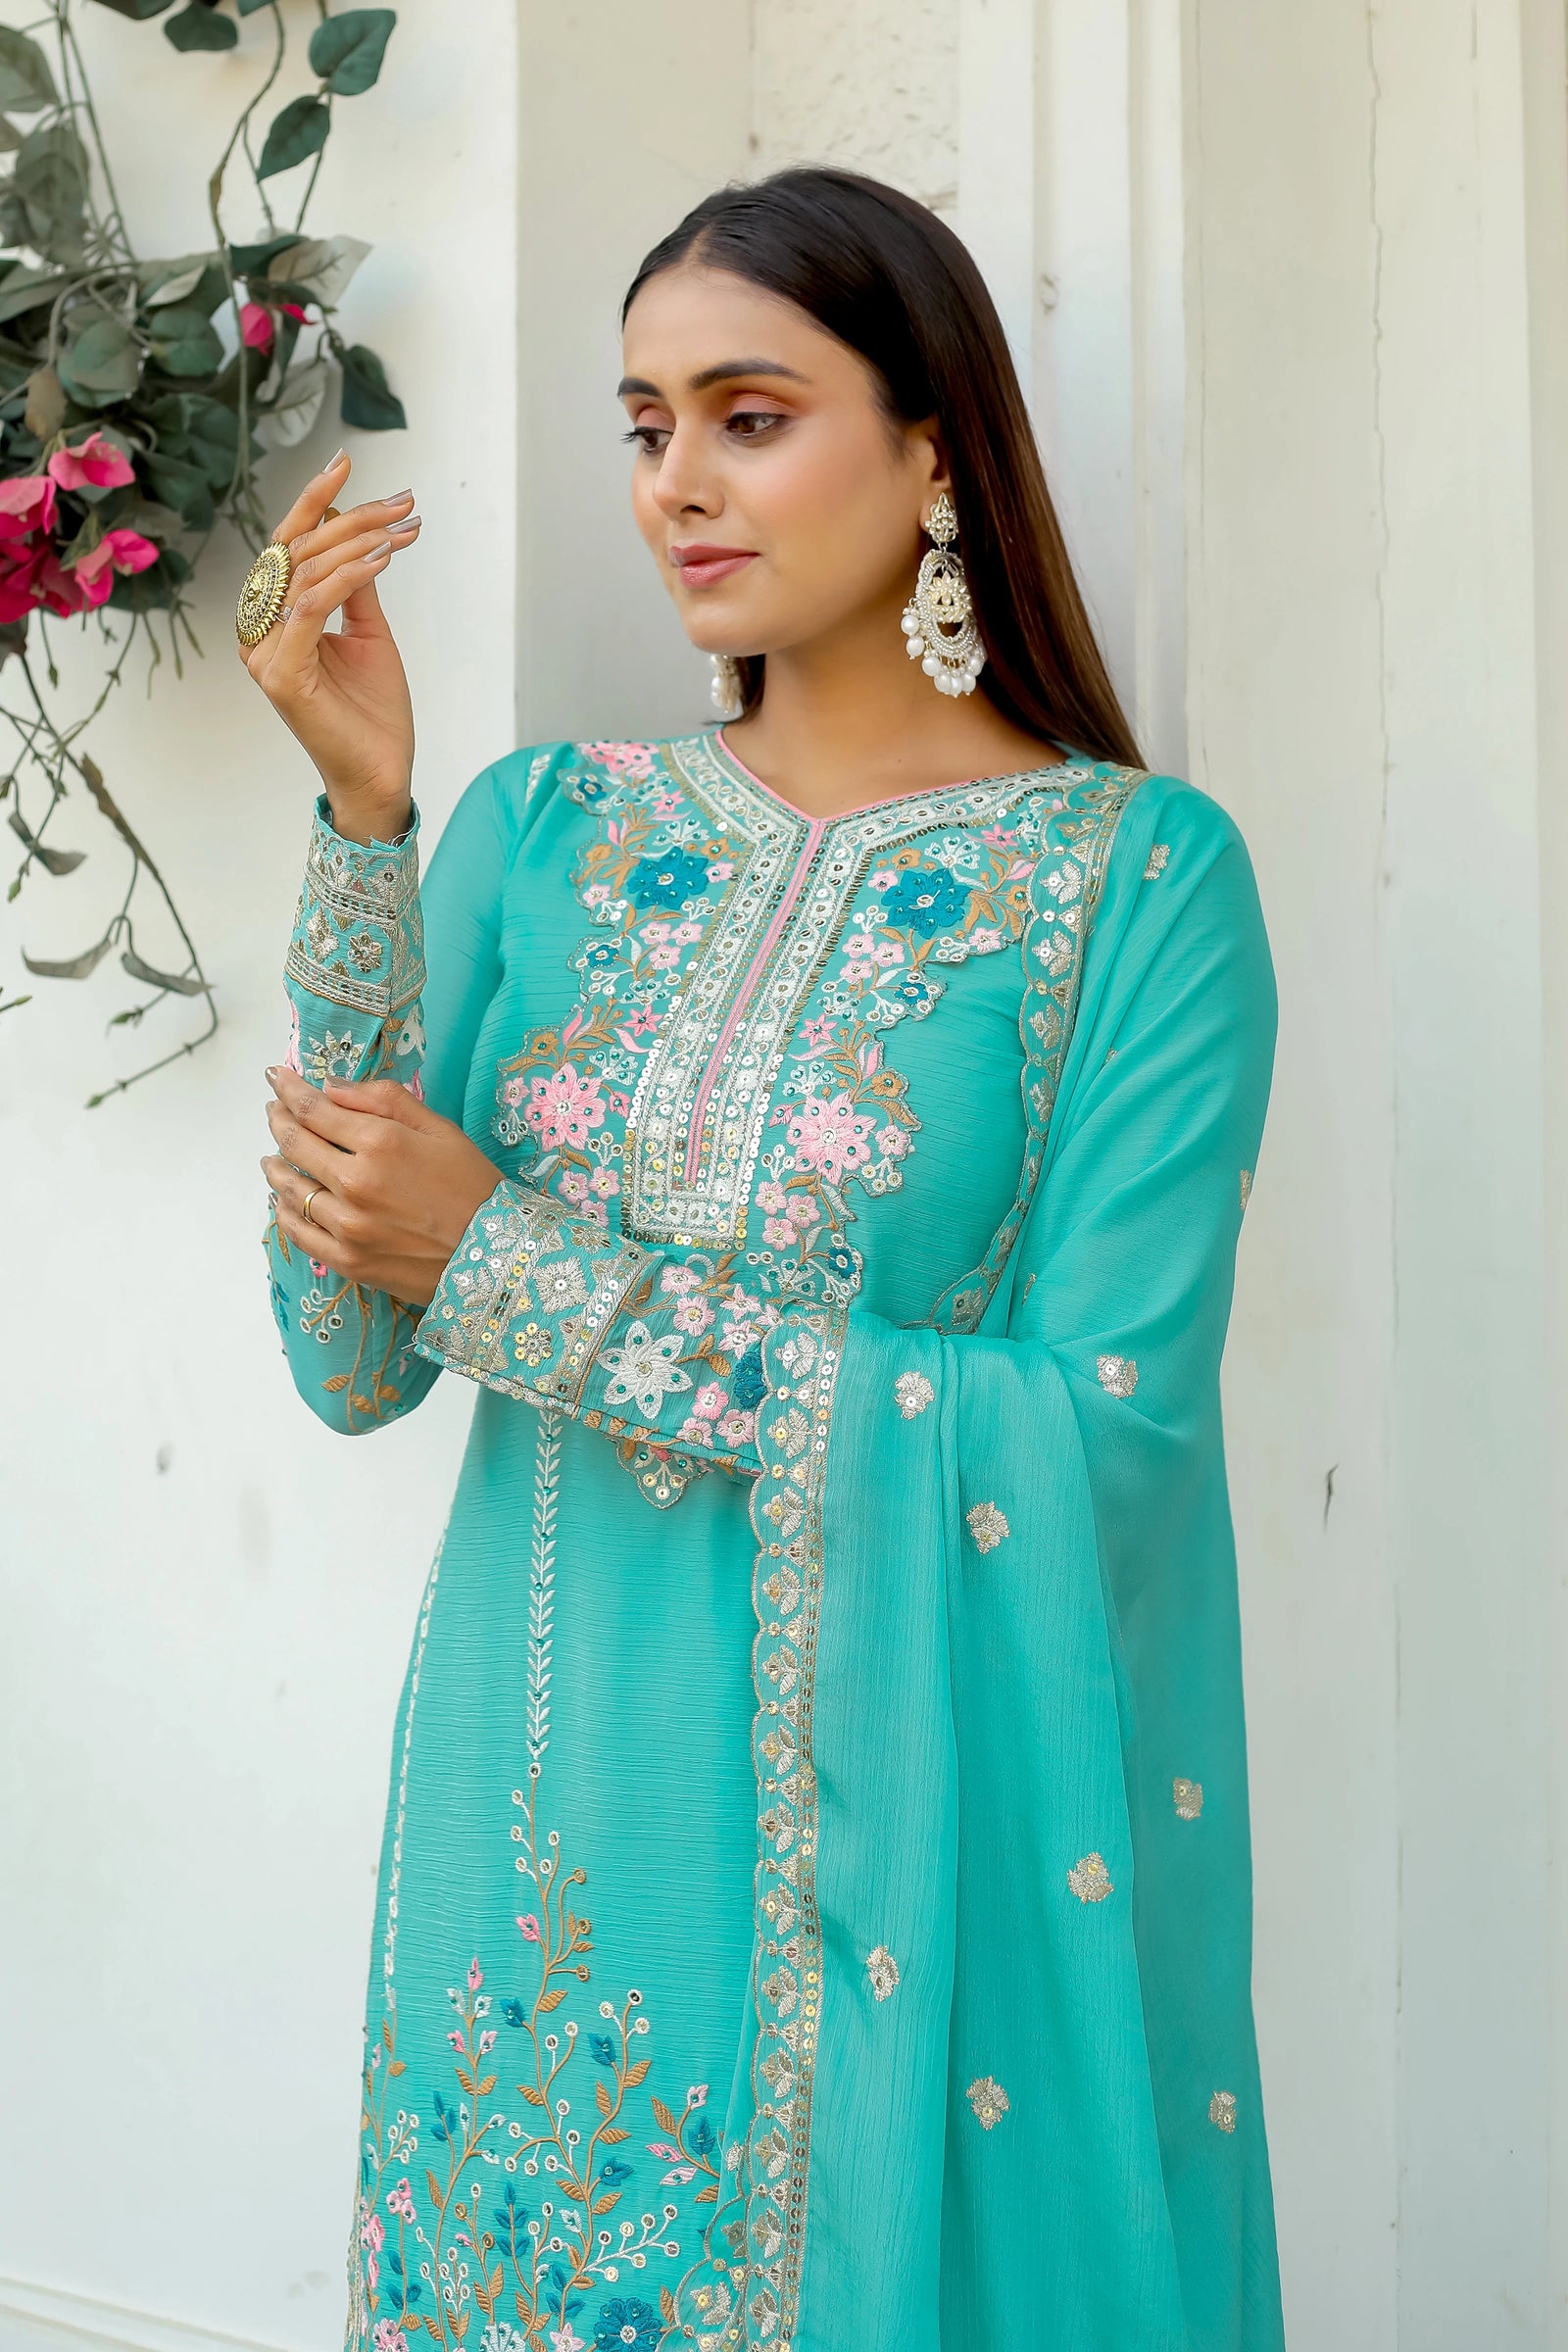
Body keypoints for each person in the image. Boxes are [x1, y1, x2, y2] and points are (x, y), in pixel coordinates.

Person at [250, 168, 1284, 2352]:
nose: (676, 485)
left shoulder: (1135, 884)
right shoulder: (541, 828)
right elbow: (347, 1356)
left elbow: (1103, 1433)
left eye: (748, 415)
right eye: (645, 428)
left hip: (876, 1861)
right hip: (531, 1834)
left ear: (933, 449)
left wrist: (514, 1269)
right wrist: (363, 829)